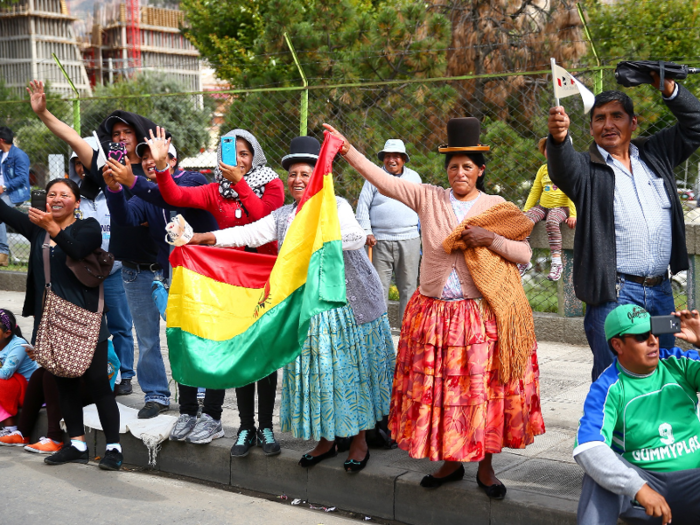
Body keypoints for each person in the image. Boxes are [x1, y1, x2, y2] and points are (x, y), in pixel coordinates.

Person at [324, 118, 545, 495]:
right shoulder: (429, 197)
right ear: (447, 170)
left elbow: (524, 250)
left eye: (468, 167)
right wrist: (346, 150)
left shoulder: (497, 207)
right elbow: (384, 181)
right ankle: (451, 463)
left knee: (483, 392)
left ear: (480, 171)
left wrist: (489, 238)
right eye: (454, 167)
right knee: (446, 394)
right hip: (437, 315)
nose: (460, 173)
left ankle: (486, 468)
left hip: (481, 316)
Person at [187, 136, 395, 470]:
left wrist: (321, 234)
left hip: (349, 309)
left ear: (318, 176)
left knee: (350, 375)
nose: (297, 180)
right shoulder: (284, 215)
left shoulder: (335, 206)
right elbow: (248, 233)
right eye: (293, 174)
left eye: (304, 173)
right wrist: (201, 238)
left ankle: (358, 441)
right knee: (320, 377)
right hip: (311, 313)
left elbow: (355, 237)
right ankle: (327, 439)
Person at [27, 80, 169, 415]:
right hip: (132, 268)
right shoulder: (107, 167)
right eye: (115, 134)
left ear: (141, 136)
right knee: (145, 338)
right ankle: (156, 395)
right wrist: (44, 112)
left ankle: (200, 401)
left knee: (187, 335)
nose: (120, 139)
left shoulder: (158, 167)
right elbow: (73, 137)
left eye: (126, 133)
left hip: (169, 263)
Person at [547, 73, 700, 381]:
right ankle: (612, 431)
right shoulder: (586, 168)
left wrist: (667, 87)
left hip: (661, 294)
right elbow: (563, 169)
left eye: (617, 116)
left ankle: (659, 430)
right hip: (614, 296)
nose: (608, 124)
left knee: (663, 370)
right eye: (599, 118)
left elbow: (695, 124)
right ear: (590, 128)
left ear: (633, 123)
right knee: (613, 376)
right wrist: (559, 139)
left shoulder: (656, 153)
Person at [156, 128, 285, 454]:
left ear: (255, 155)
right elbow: (176, 197)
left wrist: (240, 182)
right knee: (239, 350)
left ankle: (266, 428)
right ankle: (245, 427)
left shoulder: (273, 184)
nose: (239, 160)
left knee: (265, 355)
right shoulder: (217, 190)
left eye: (245, 153)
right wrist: (161, 167)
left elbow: (264, 220)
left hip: (265, 280)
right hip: (229, 283)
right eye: (232, 153)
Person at [106, 127, 225, 443]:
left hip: (207, 276)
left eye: (157, 156)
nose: (149, 161)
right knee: (179, 340)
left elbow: (173, 195)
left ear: (172, 157)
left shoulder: (193, 182)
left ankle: (212, 414)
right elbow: (126, 217)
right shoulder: (147, 194)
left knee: (207, 342)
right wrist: (114, 188)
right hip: (174, 277)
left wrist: (142, 180)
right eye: (143, 157)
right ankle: (187, 411)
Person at [0, 178, 122, 470]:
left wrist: (53, 228)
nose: (55, 198)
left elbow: (78, 250)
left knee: (97, 383)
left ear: (76, 202)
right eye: (51, 194)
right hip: (51, 321)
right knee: (62, 383)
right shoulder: (36, 228)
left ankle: (114, 448)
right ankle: (77, 444)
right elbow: (4, 213)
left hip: (86, 320)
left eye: (63, 195)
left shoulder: (88, 227)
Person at [575, 305, 700, 525]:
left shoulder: (679, 364)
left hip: (693, 483)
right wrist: (638, 487)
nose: (653, 341)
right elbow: (588, 447)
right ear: (617, 345)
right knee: (596, 479)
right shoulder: (608, 387)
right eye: (642, 336)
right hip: (644, 493)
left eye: (655, 333)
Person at [68, 138, 136, 402]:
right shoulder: (72, 196)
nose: (84, 169)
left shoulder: (117, 191)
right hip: (82, 274)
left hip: (116, 271)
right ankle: (93, 374)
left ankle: (125, 375)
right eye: (79, 164)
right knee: (86, 326)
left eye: (88, 162)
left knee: (120, 325)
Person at [0, 340, 120, 454]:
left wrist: (45, 355)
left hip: (102, 388)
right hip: (79, 378)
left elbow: (76, 366)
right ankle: (23, 433)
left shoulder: (84, 333)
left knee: (51, 375)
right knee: (39, 374)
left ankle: (55, 438)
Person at [355, 139, 421, 321]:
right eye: (388, 156)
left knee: (408, 287)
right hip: (379, 240)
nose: (392, 160)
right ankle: (380, 332)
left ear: (404, 159)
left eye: (396, 156)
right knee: (379, 287)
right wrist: (367, 231)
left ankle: (407, 331)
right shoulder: (373, 177)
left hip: (409, 239)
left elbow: (422, 205)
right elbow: (362, 206)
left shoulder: (414, 178)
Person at [520, 137, 576, 281]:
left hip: (562, 207)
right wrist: (527, 209)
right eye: (548, 148)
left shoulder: (568, 169)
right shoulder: (543, 169)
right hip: (544, 206)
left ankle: (557, 262)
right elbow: (535, 191)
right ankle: (524, 258)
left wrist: (573, 214)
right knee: (525, 221)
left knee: (552, 222)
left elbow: (572, 192)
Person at [0, 309, 37, 435]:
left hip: (28, 392)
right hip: (11, 389)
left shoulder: (18, 345)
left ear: (7, 333)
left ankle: (10, 427)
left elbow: (5, 374)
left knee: (3, 381)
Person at [0, 127, 31, 267]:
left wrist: (4, 187)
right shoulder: (1, 155)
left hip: (15, 193)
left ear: (1, 140)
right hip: (3, 193)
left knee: (1, 211)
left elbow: (22, 178)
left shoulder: (19, 155)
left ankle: (3, 253)